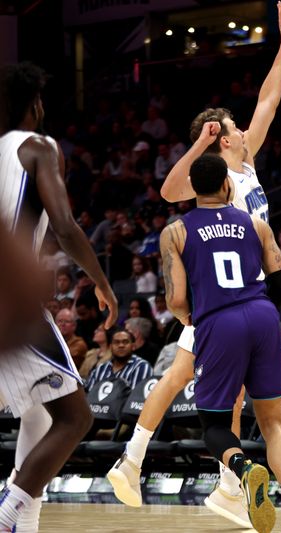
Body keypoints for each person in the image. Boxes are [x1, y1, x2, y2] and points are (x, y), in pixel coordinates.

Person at [107, 4, 281, 524]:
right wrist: (203, 141)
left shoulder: (248, 156)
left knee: (226, 392)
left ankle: (228, 485)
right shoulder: (210, 174)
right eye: (230, 127)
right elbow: (169, 190)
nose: (239, 128)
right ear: (216, 135)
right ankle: (133, 460)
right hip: (224, 290)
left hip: (247, 293)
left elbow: (269, 100)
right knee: (180, 376)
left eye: (233, 126)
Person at [159, 154, 281, 532]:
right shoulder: (255, 224)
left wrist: (194, 317)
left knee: (214, 424)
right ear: (227, 185)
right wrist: (255, 310)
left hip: (218, 322)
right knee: (274, 423)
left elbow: (175, 301)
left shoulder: (175, 231)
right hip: (262, 315)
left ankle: (244, 468)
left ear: (193, 189)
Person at [0, 62, 118, 532]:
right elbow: (65, 226)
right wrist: (102, 283)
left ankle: (22, 521)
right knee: (75, 417)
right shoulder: (39, 147)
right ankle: (9, 509)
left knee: (38, 408)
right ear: (35, 104)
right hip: (10, 300)